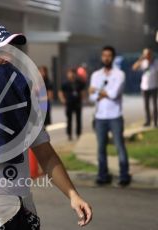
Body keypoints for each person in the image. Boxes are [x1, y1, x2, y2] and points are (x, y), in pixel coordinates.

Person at [0, 22, 92, 230]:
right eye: (0, 51)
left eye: (10, 50)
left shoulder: (21, 98)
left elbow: (45, 154)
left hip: (24, 209)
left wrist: (73, 195)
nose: (10, 57)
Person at [89, 46, 131, 186]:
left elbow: (114, 94)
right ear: (102, 57)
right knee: (101, 148)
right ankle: (103, 175)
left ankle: (124, 175)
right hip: (100, 117)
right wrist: (101, 93)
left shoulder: (119, 74)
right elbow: (91, 97)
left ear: (113, 57)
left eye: (109, 55)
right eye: (104, 55)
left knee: (119, 146)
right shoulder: (96, 75)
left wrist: (98, 91)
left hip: (115, 116)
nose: (106, 58)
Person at [132, 48, 158, 127]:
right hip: (144, 87)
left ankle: (155, 122)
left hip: (154, 86)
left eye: (148, 54)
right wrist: (140, 59)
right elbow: (134, 68)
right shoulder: (143, 62)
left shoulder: (156, 62)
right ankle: (148, 121)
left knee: (154, 106)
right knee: (146, 106)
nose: (147, 55)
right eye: (145, 54)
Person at [59, 68, 86, 141]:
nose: (71, 75)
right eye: (69, 73)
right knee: (69, 119)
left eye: (72, 73)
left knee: (78, 119)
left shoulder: (79, 82)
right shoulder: (65, 83)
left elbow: (82, 92)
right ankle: (69, 134)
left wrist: (83, 99)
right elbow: (61, 92)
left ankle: (78, 134)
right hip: (69, 103)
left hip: (77, 103)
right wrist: (62, 99)